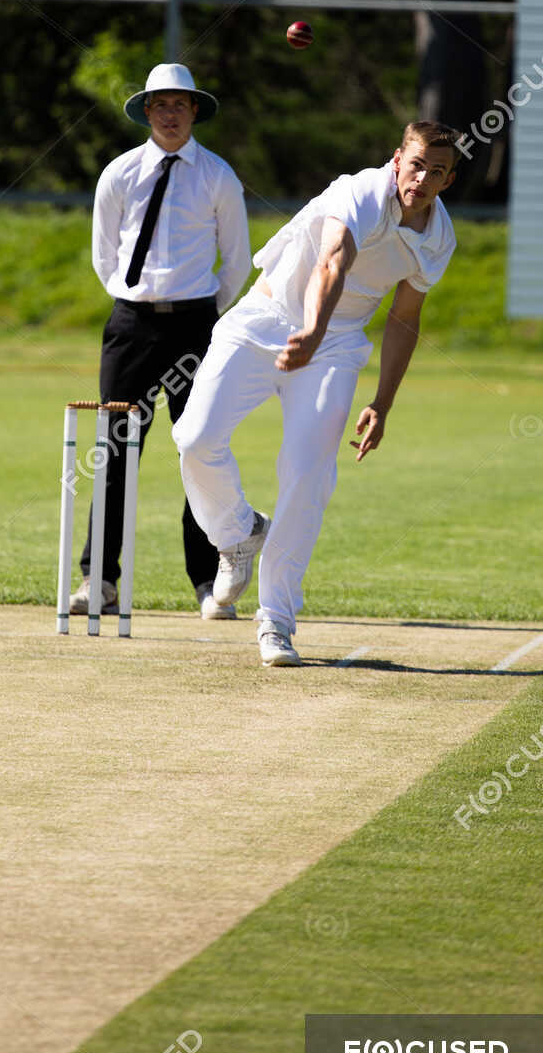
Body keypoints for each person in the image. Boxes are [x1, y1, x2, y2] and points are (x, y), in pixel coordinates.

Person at [172, 120, 462, 666]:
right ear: (397, 158)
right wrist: (309, 327)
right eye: (417, 164)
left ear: (449, 181)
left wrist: (383, 401)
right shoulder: (360, 191)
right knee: (194, 437)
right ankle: (237, 535)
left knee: (307, 476)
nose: (423, 179)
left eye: (438, 172)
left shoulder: (439, 237)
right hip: (265, 318)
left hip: (334, 347)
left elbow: (405, 318)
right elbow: (334, 259)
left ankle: (276, 621)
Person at [71, 62, 251, 619]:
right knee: (116, 450)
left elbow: (238, 259)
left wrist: (205, 315)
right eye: (159, 105)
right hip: (131, 326)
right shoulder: (120, 173)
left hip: (196, 326)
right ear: (146, 112)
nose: (170, 114)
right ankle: (99, 580)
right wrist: (135, 300)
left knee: (197, 449)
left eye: (180, 104)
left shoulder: (217, 175)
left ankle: (206, 580)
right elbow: (105, 254)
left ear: (194, 111)